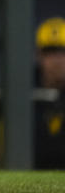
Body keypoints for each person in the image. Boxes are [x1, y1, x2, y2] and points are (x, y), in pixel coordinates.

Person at [35, 17, 65, 169]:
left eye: (63, 52)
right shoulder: (23, 90)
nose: (57, 60)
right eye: (50, 52)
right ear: (39, 56)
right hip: (28, 173)